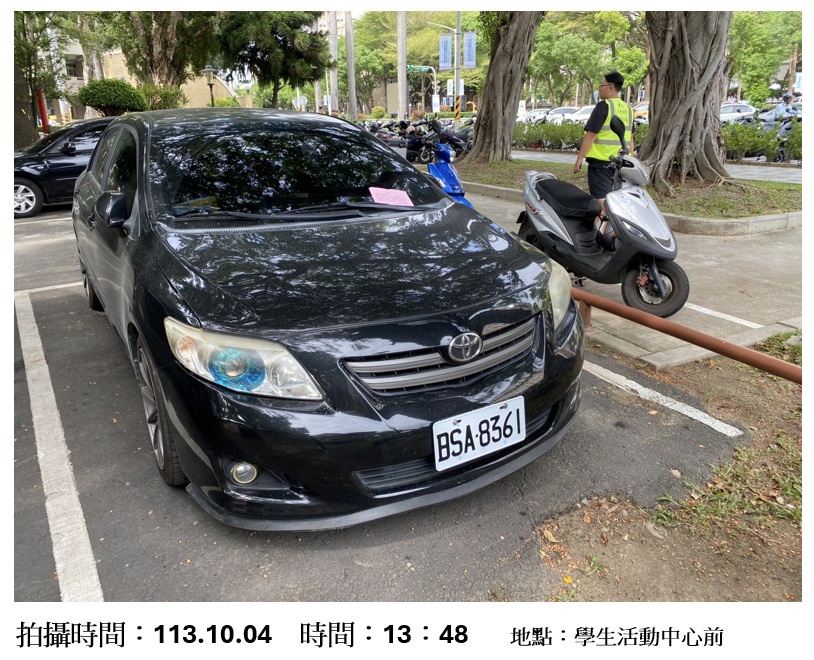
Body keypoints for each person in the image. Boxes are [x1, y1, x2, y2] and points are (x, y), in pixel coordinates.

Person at [573, 71, 634, 250]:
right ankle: (603, 236)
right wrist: (630, 158)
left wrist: (579, 158)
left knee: (603, 203)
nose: (599, 89)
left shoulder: (604, 106)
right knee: (612, 200)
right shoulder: (628, 108)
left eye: (601, 85)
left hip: (601, 162)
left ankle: (603, 241)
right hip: (621, 164)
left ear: (611, 87)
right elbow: (631, 138)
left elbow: (591, 134)